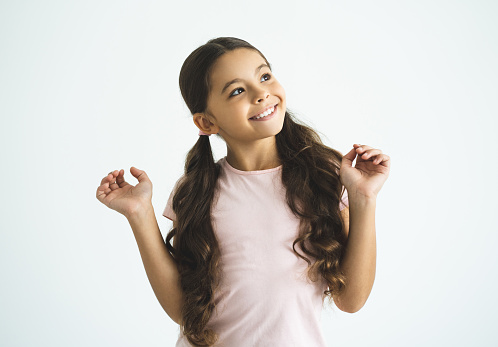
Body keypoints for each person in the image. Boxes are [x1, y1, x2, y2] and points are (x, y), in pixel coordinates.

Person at [96, 37, 390, 347]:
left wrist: (364, 199)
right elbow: (185, 310)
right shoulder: (195, 192)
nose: (262, 93)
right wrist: (139, 214)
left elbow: (351, 300)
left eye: (264, 76)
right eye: (237, 90)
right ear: (207, 122)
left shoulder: (325, 176)